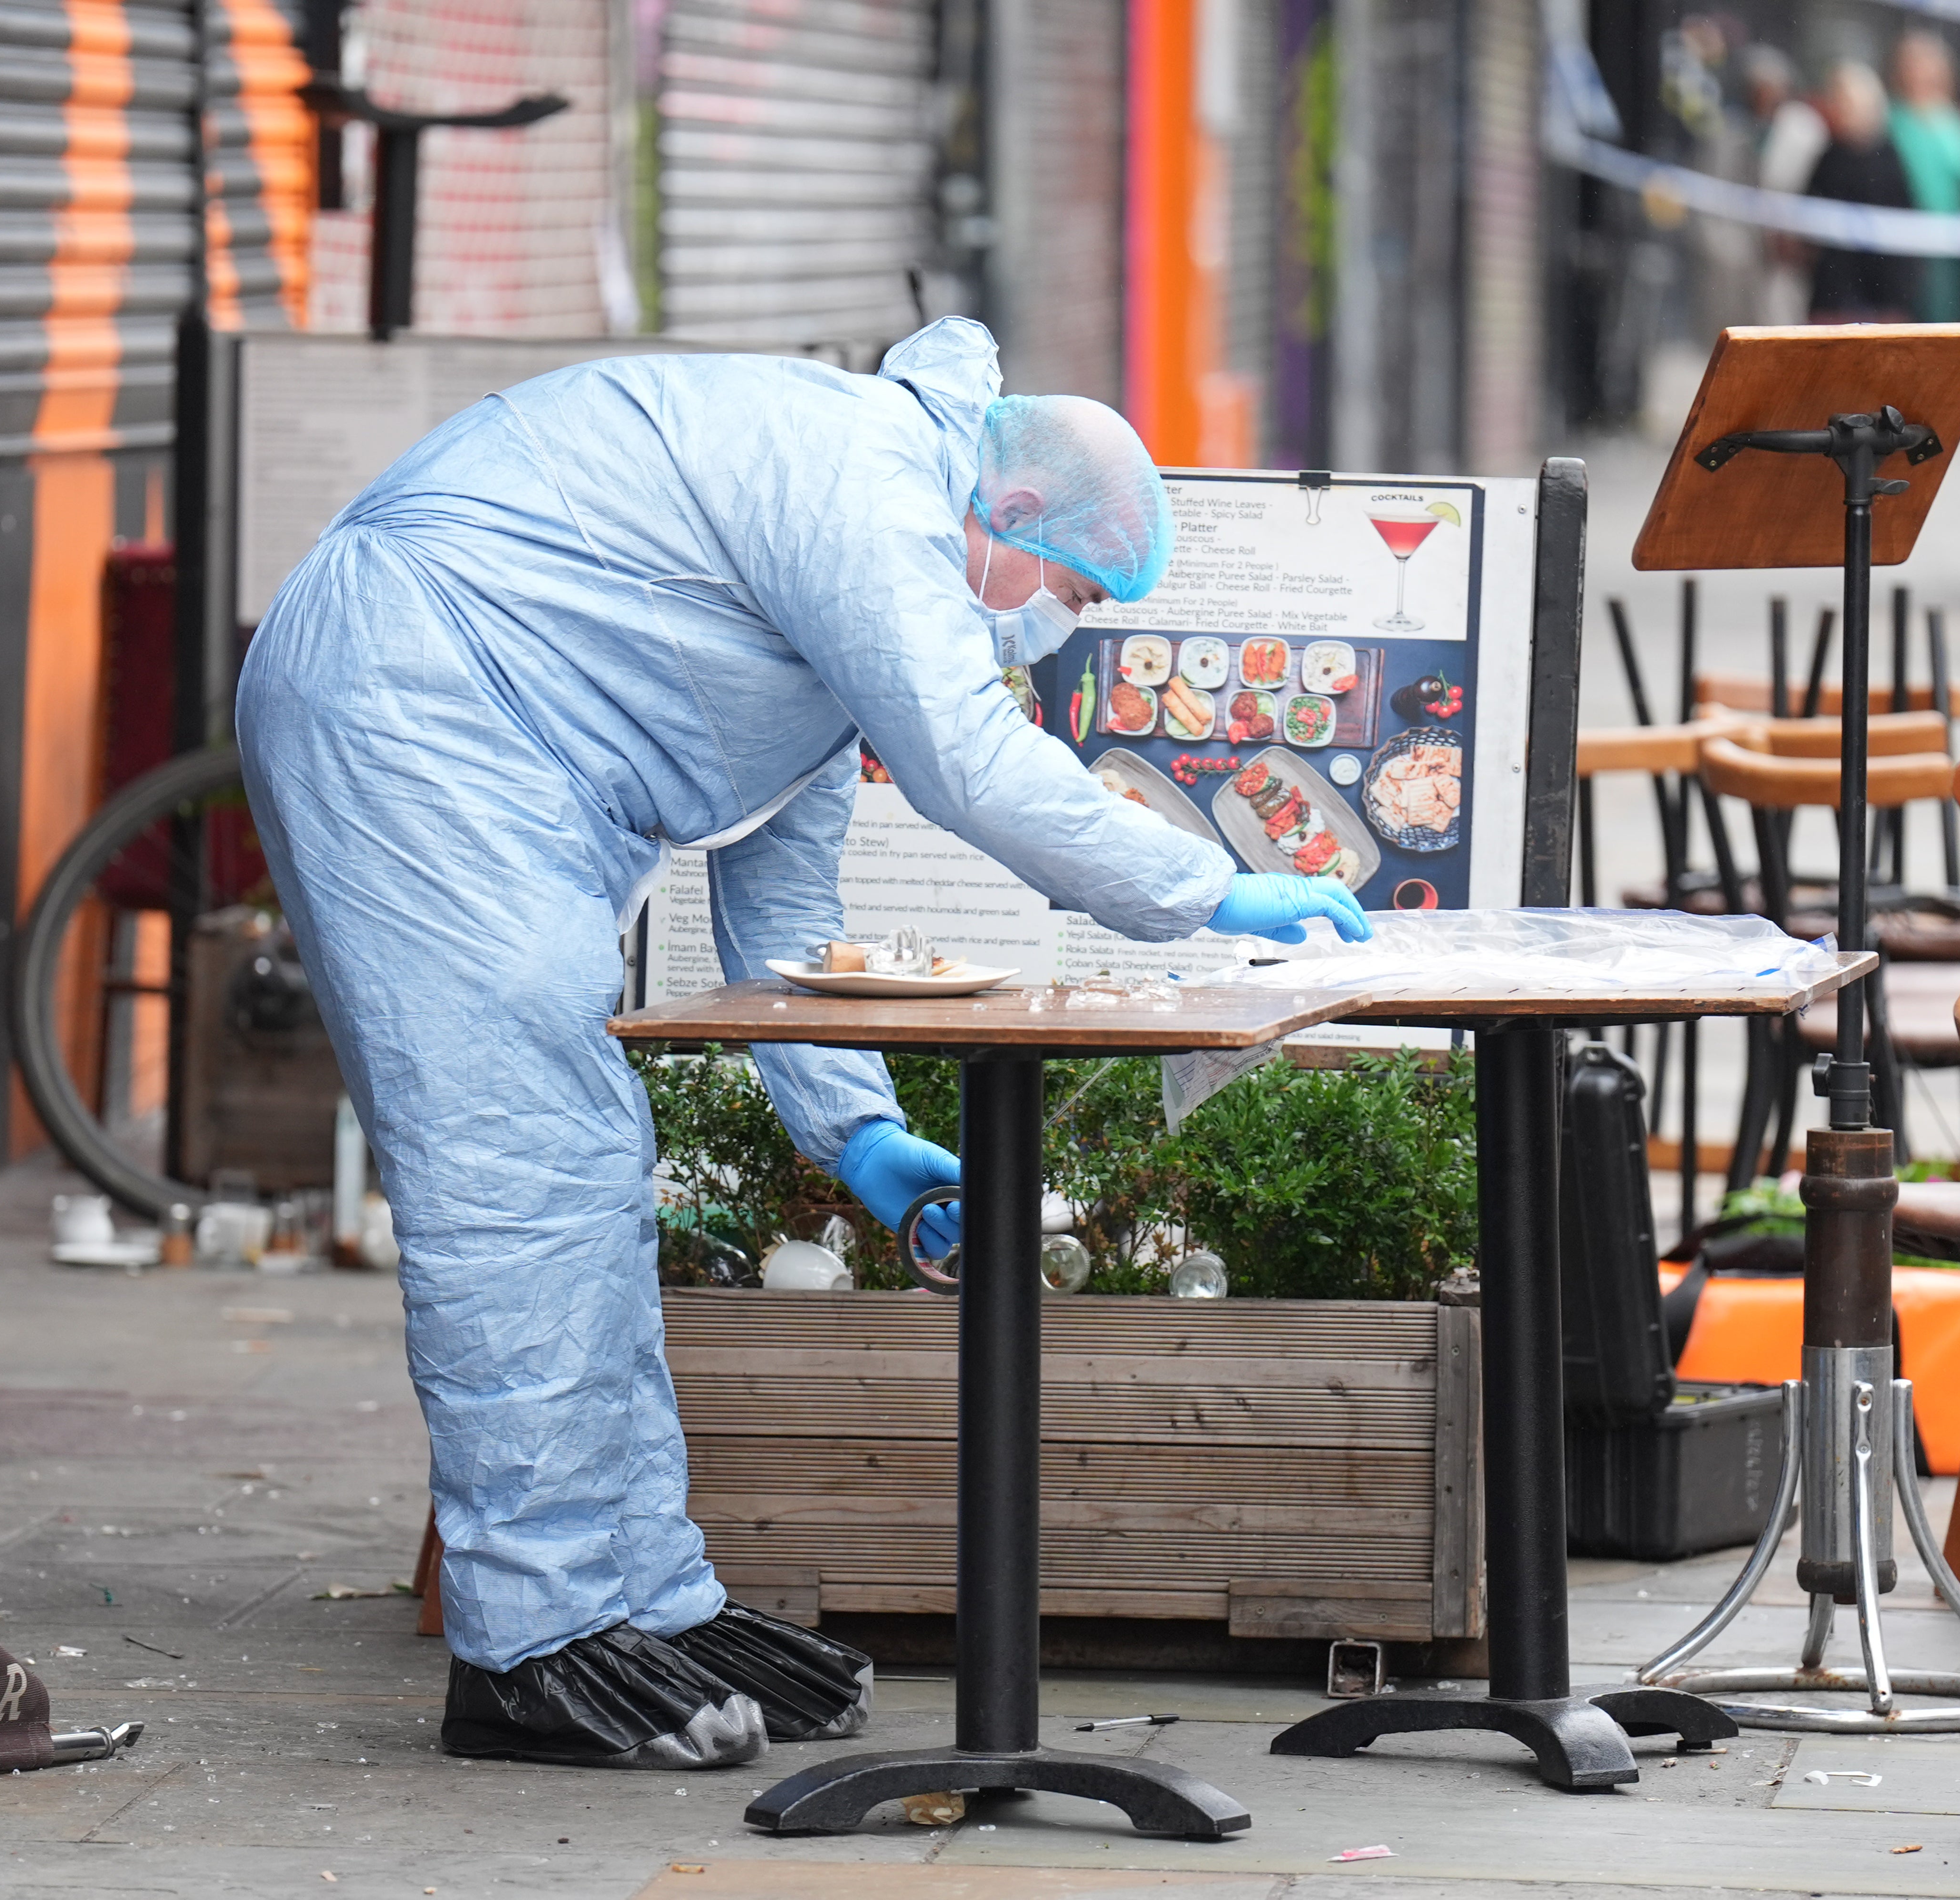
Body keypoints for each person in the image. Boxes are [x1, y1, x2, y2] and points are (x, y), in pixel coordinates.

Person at [233, 318, 1369, 1771]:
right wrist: (1206, 887)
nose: (1049, 627)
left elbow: (789, 905)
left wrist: (859, 1135)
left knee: (589, 1167)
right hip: (412, 706)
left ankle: (642, 1598)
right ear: (1006, 514)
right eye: (1064, 592)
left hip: (478, 727)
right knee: (523, 1168)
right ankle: (527, 1642)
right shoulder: (865, 487)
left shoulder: (864, 569)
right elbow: (966, 759)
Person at [1803, 61, 1919, 323]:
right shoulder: (1830, 155)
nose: (1839, 111)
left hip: (1883, 294)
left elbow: (1905, 226)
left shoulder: (1888, 158)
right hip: (1834, 292)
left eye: (1846, 104)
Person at [1888, 31, 1960, 323]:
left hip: (1949, 242)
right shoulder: (1894, 118)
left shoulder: (1951, 119)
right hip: (1905, 240)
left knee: (1946, 316)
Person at [1744, 46, 1828, 325]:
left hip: (1795, 240)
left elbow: (1816, 184)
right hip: (1756, 246)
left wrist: (1797, 237)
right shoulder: (1751, 129)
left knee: (1790, 311)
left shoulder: (1804, 126)